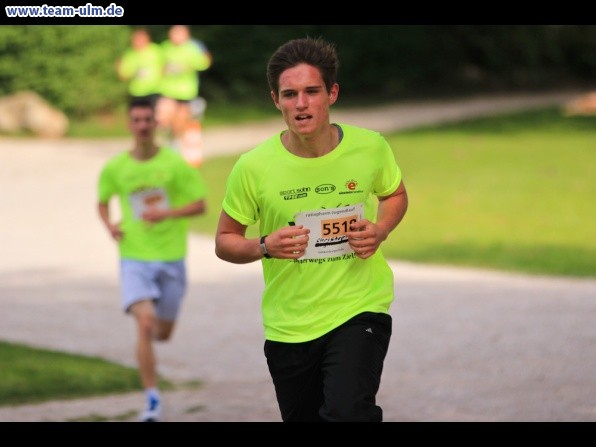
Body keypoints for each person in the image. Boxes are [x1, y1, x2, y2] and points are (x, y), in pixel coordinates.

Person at [214, 37, 409, 422]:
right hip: (290, 326)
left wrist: (381, 229)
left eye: (311, 91)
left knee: (347, 411)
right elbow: (224, 241)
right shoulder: (253, 167)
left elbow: (396, 194)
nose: (301, 104)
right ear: (276, 100)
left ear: (331, 93)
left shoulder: (370, 148)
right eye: (290, 94)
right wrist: (265, 245)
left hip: (359, 307)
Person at [97, 98, 208, 422]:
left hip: (172, 257)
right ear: (129, 125)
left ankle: (154, 375)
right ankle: (152, 399)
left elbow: (200, 205)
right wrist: (109, 226)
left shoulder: (174, 164)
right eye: (137, 120)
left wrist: (167, 213)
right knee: (145, 324)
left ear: (156, 124)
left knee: (163, 332)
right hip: (134, 257)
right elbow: (102, 202)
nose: (143, 125)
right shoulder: (116, 167)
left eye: (148, 119)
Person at [156, 25, 212, 149]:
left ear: (186, 35)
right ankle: (166, 135)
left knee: (179, 122)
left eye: (178, 34)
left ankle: (175, 143)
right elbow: (158, 65)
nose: (175, 37)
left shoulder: (193, 48)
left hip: (186, 90)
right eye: (173, 33)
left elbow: (204, 63)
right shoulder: (165, 47)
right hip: (167, 89)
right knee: (163, 116)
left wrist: (188, 66)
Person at [116, 28, 163, 109]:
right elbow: (124, 76)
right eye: (136, 39)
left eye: (140, 39)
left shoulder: (156, 51)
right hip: (136, 92)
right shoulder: (129, 54)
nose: (138, 41)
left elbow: (165, 68)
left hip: (155, 91)